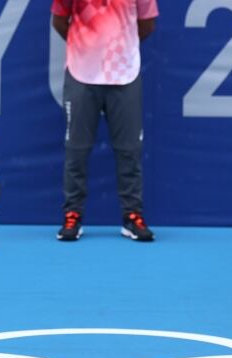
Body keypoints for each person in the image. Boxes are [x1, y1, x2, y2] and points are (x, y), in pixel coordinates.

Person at [52, 0, 159, 242]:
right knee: (76, 151)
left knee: (129, 150)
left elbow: (147, 23)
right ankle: (73, 214)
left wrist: (119, 49)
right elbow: (59, 20)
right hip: (81, 73)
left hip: (125, 74)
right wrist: (87, 47)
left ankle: (132, 216)